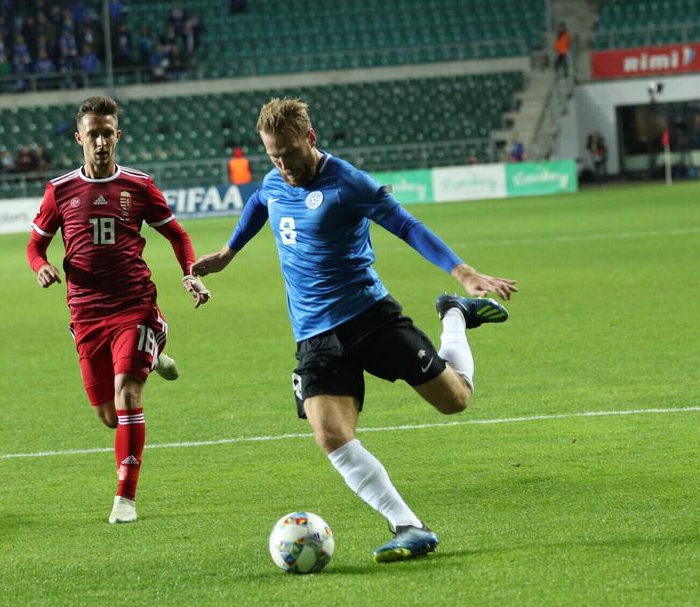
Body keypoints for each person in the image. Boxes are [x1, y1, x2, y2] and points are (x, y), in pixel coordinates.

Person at [190, 97, 517, 563]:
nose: (283, 165)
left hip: (370, 318)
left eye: (290, 153)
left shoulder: (348, 183)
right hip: (315, 336)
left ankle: (454, 316)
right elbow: (260, 203)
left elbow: (406, 225)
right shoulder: (272, 180)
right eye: (273, 155)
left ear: (311, 138)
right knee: (330, 434)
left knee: (455, 400)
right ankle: (409, 526)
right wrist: (228, 252)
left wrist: (463, 272)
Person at [26, 95, 212, 524]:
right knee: (109, 415)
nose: (101, 141)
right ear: (79, 138)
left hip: (133, 305)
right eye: (93, 134)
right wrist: (41, 267)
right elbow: (35, 245)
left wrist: (190, 273)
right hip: (86, 314)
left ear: (118, 136)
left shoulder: (139, 186)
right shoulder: (60, 190)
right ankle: (157, 355)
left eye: (108, 133)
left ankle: (125, 500)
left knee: (128, 393)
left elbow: (178, 235)